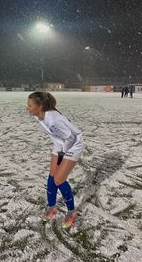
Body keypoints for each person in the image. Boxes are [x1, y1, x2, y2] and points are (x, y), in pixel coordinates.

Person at [27, 92, 84, 229]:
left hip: (74, 144)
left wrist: (61, 155)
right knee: (52, 176)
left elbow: (71, 139)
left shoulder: (53, 119)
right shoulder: (39, 116)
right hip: (60, 143)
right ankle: (51, 207)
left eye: (30, 105)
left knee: (59, 180)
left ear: (40, 107)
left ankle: (71, 211)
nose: (27, 108)